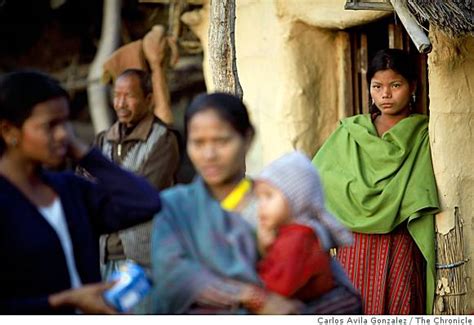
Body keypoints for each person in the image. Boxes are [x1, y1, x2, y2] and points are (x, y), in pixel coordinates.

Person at [150, 93, 362, 315]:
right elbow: (171, 274)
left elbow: (330, 284)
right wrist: (254, 298)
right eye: (198, 143)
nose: (209, 154)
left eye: (222, 141)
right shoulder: (176, 206)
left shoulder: (279, 204)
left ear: (248, 138)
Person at [0, 70, 162, 314]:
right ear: (9, 131)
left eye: (66, 122)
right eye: (50, 125)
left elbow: (145, 201)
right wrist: (63, 300)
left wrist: (84, 154)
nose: (63, 133)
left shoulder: (69, 190)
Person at [312, 49, 440, 314]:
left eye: (396, 85)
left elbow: (422, 189)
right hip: (354, 245)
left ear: (413, 86)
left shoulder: (425, 134)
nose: (386, 94)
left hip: (400, 241)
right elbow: (319, 178)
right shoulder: (350, 132)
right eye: (377, 86)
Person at [252, 151, 348, 301]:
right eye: (259, 198)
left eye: (269, 196)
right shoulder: (294, 232)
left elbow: (281, 288)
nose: (261, 206)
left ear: (297, 198)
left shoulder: (299, 238)